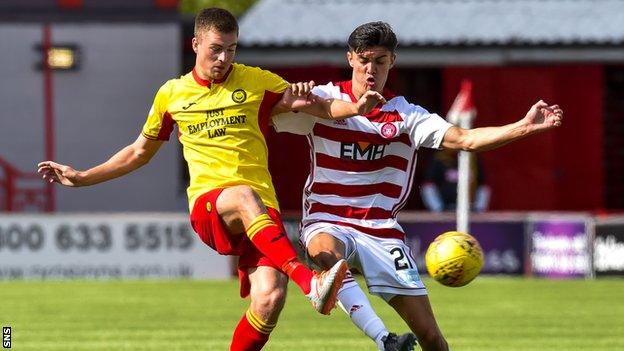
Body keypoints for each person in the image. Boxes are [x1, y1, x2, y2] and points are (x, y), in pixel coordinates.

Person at [37, 8, 386, 351]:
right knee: (243, 196)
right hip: (211, 205)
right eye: (215, 49)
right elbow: (137, 153)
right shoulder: (172, 94)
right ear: (195, 44)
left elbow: (321, 108)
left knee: (270, 298)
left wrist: (356, 108)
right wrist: (83, 177)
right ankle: (310, 282)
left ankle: (295, 290)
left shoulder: (256, 81)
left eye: (231, 49)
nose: (223, 58)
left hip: (261, 211)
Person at [273, 21, 563, 351]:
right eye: (364, 60)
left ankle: (376, 329)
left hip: (380, 230)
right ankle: (384, 340)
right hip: (327, 218)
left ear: (392, 62)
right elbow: (271, 110)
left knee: (431, 337)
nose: (371, 69)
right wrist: (288, 99)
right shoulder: (324, 99)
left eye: (380, 61)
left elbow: (465, 138)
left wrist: (523, 127)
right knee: (326, 255)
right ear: (350, 58)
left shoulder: (406, 115)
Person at [420, 148, 491, 212]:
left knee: (485, 189)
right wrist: (438, 208)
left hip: (470, 206)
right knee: (427, 188)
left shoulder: (473, 158)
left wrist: (479, 208)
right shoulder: (439, 158)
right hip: (445, 206)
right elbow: (428, 184)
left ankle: (478, 212)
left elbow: (483, 184)